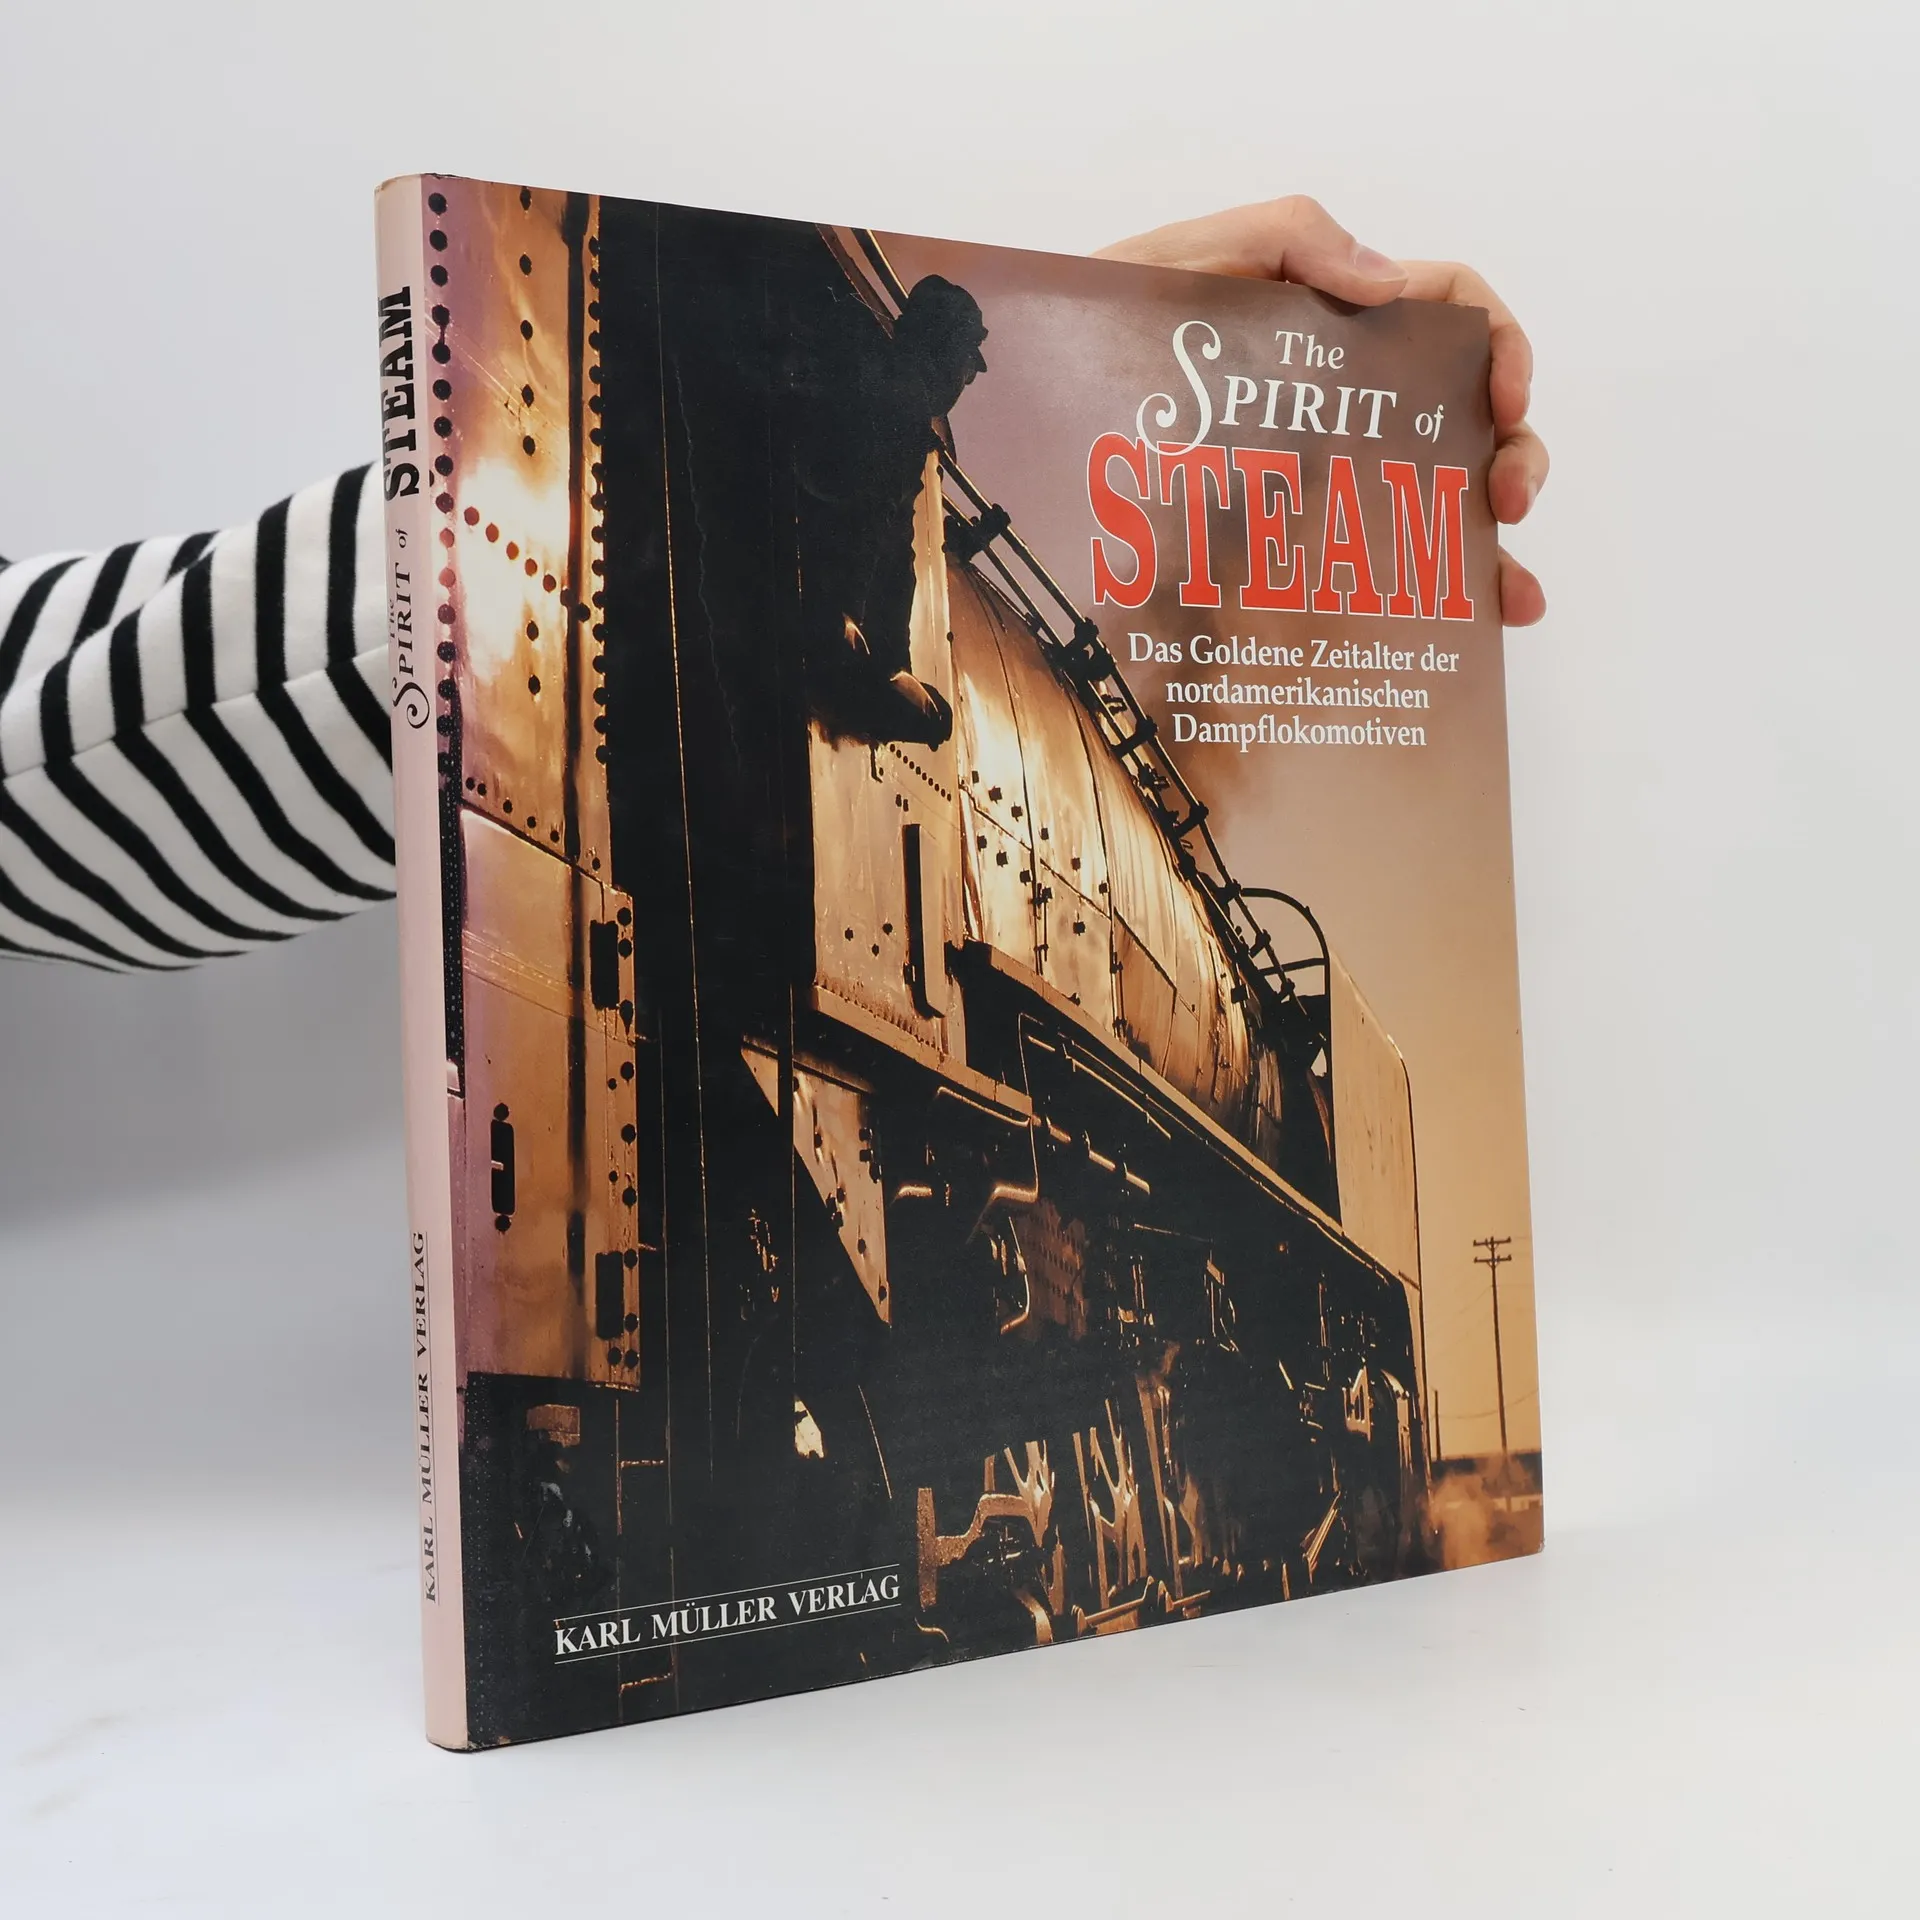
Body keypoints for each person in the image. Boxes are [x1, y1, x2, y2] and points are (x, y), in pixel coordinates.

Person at [0, 197, 1547, 973]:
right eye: (967, 362)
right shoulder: (888, 414)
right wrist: (472, 608)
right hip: (791, 631)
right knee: (888, 654)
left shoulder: (892, 404)